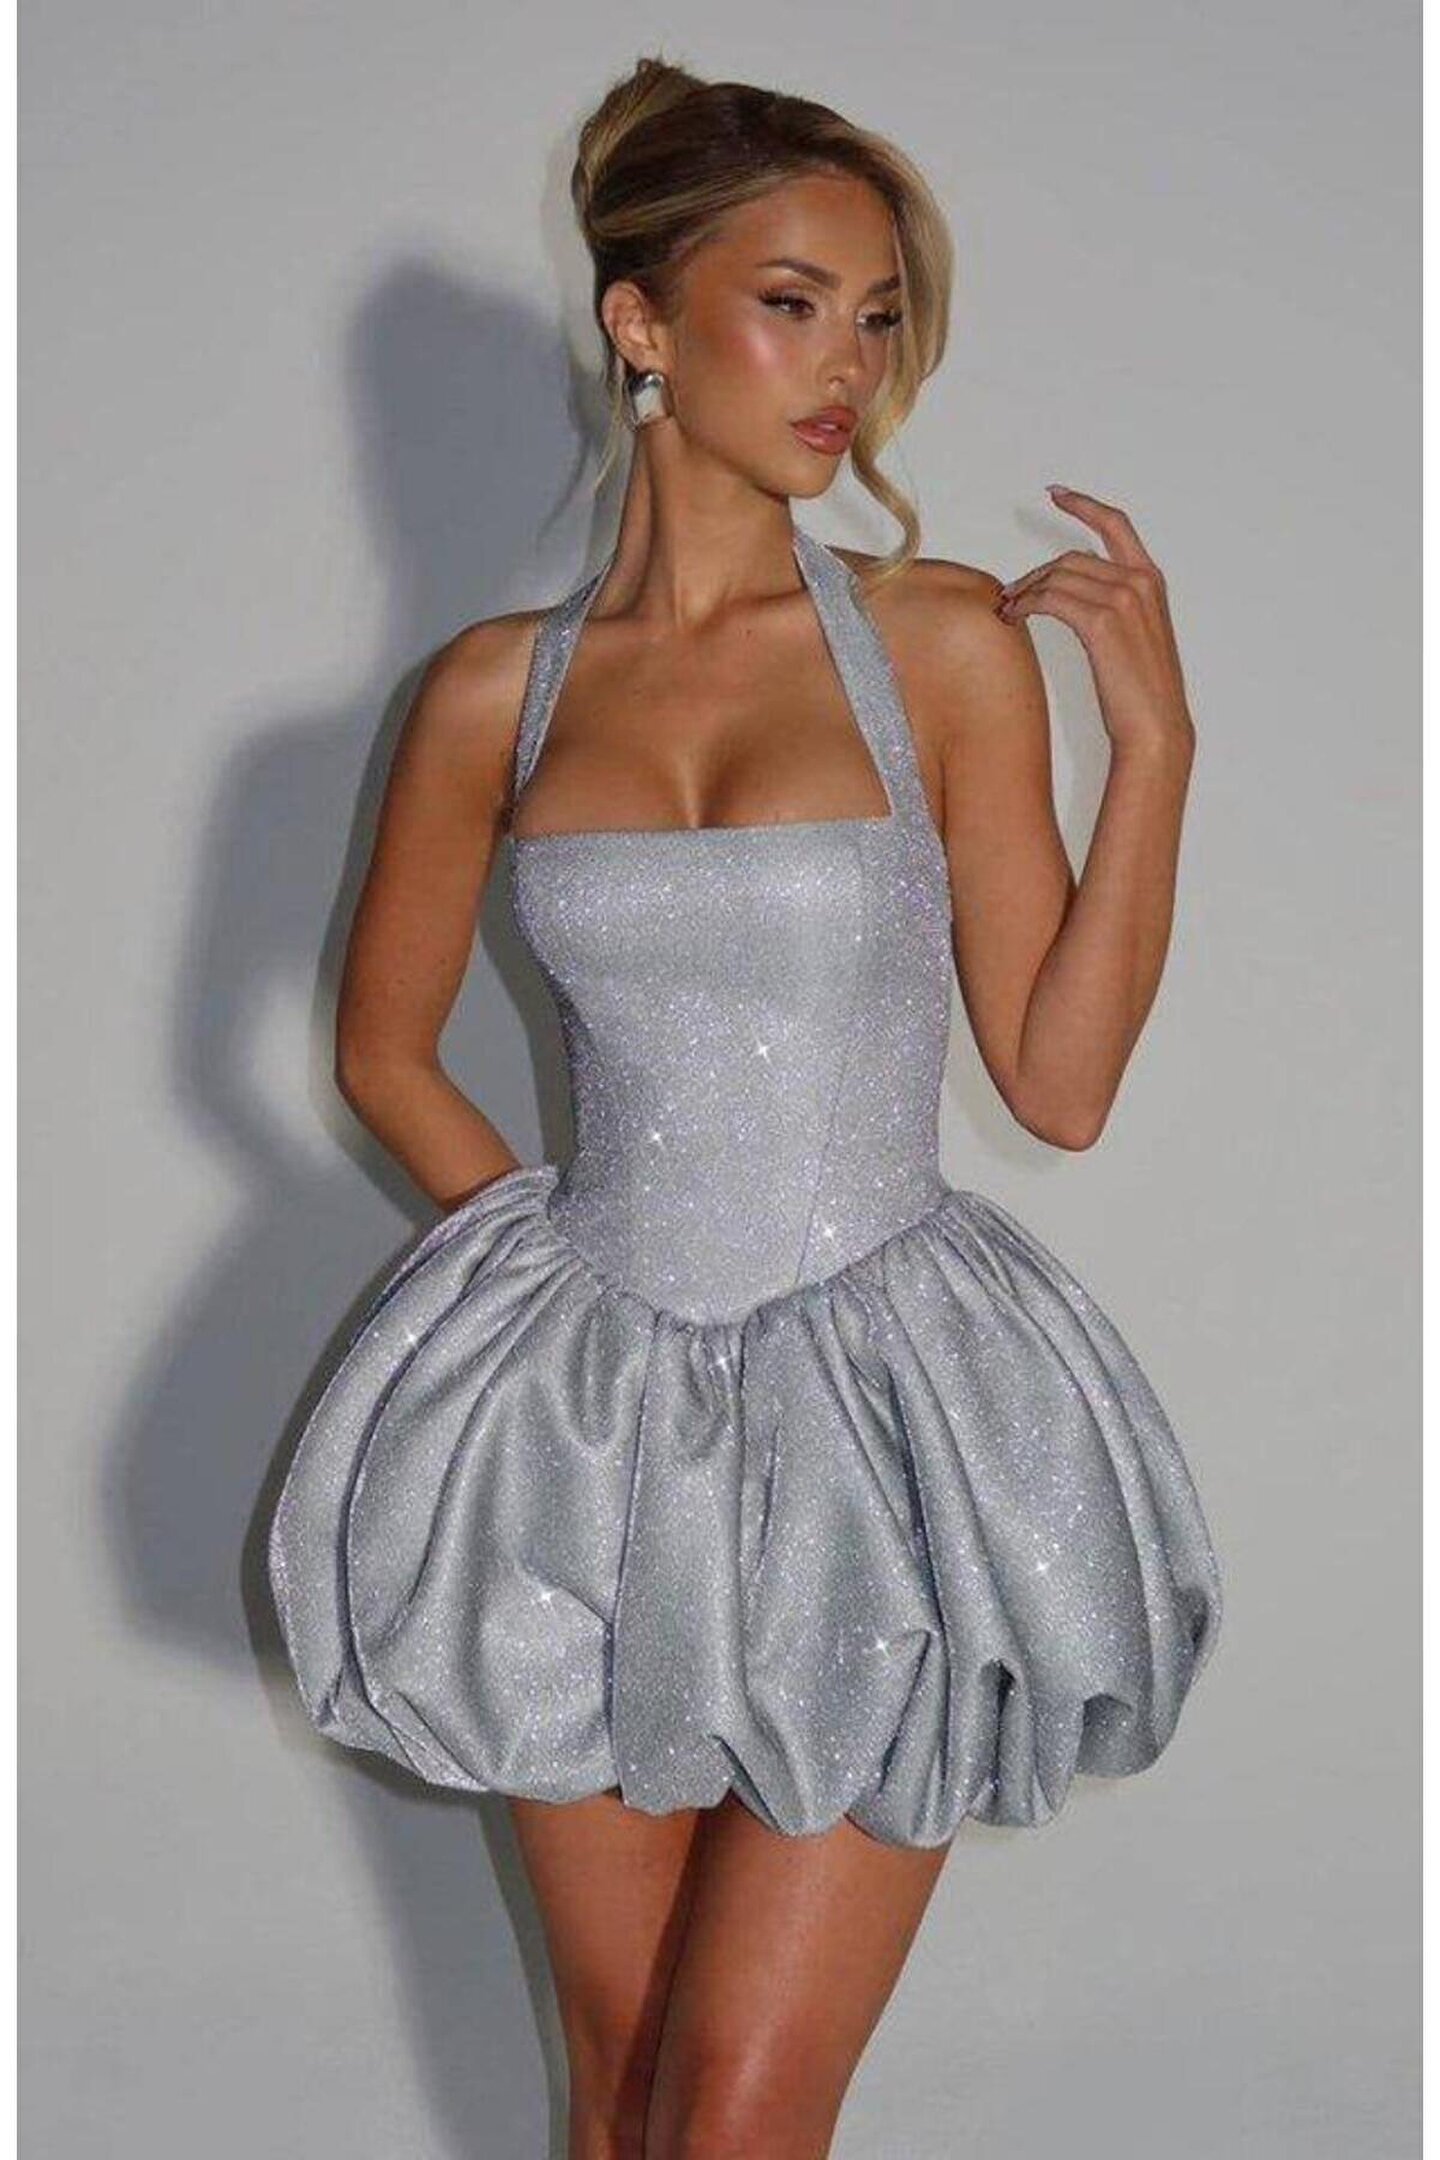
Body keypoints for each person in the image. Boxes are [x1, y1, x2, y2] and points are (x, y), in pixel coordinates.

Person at [267, 53, 1224, 2160]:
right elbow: (381, 1049)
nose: (848, 368)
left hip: (880, 1427)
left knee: (736, 2112)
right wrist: (526, 1285)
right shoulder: (494, 690)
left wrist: (1155, 752)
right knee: (623, 2095)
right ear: (643, 321)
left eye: (876, 316)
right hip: (587, 1438)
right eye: (792, 304)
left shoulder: (940, 644)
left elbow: (1059, 1083)